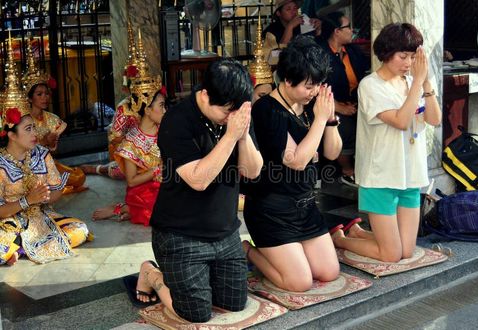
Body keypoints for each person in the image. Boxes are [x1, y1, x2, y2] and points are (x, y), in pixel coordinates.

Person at [127, 59, 262, 322]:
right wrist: (231, 136)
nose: (230, 117)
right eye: (226, 110)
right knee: (196, 313)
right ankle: (152, 274)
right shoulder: (176, 121)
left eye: (236, 111)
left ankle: (198, 276)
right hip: (181, 234)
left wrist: (243, 135)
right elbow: (199, 180)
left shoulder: (234, 113)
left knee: (235, 304)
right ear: (204, 94)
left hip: (225, 232)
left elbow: (253, 171)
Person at [331, 23, 441, 262]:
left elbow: (435, 119)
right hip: (380, 176)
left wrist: (426, 84)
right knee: (391, 254)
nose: (409, 63)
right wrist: (416, 84)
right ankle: (341, 239)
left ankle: (358, 230)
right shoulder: (370, 85)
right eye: (403, 56)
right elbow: (401, 121)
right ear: (387, 53)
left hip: (409, 174)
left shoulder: (412, 82)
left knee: (406, 251)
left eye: (413, 57)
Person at [242, 36, 342, 292]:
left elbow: (331, 152)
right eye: (308, 86)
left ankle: (294, 254)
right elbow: (296, 161)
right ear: (287, 80)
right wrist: (320, 120)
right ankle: (247, 251)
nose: (313, 92)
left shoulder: (311, 105)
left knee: (329, 272)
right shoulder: (267, 110)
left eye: (317, 85)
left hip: (306, 207)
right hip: (272, 211)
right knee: (300, 282)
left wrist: (329, 120)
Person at [0, 36, 90, 266]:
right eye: (28, 129)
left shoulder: (41, 154)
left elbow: (56, 193)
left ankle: (18, 248)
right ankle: (16, 245)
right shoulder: (1, 163)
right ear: (11, 134)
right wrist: (26, 201)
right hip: (8, 220)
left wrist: (48, 195)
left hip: (41, 218)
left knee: (80, 229)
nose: (34, 134)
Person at [92, 86, 166, 225]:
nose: (165, 110)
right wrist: (157, 170)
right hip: (145, 190)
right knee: (164, 213)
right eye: (161, 106)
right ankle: (123, 208)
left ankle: (133, 212)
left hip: (167, 181)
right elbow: (132, 181)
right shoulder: (130, 143)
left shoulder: (164, 128)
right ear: (148, 110)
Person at [81, 19, 141, 180]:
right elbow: (114, 138)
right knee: (121, 170)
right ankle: (98, 169)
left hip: (156, 154)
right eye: (135, 83)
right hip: (132, 155)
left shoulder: (156, 103)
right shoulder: (124, 107)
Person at [22, 46, 86, 194]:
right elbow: (19, 152)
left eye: (46, 93)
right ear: (30, 98)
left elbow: (53, 154)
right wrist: (43, 142)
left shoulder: (52, 119)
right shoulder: (22, 120)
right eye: (39, 94)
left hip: (48, 165)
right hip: (26, 168)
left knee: (79, 177)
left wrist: (50, 143)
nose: (45, 97)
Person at [317, 12, 369, 187]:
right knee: (346, 126)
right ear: (336, 31)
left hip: (354, 101)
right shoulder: (320, 54)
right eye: (348, 27)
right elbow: (315, 86)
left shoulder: (352, 51)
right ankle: (347, 170)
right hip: (328, 104)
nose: (352, 30)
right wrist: (337, 107)